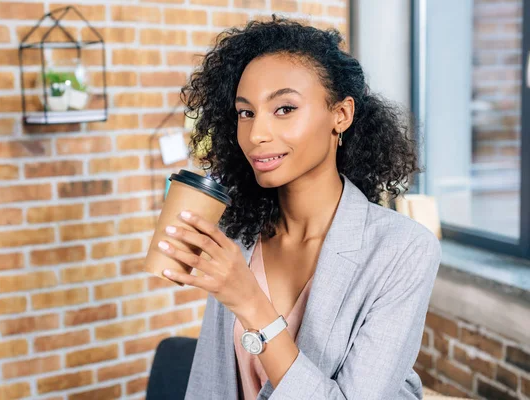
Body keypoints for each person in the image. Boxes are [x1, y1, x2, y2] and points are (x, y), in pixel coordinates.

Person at [156, 15, 442, 400]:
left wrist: (249, 300)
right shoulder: (238, 235)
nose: (256, 134)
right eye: (246, 112)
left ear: (340, 115)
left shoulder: (404, 250)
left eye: (285, 109)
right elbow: (212, 380)